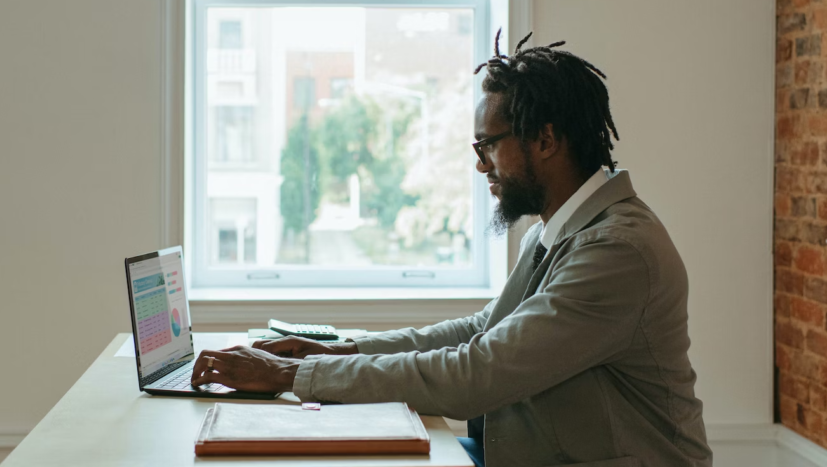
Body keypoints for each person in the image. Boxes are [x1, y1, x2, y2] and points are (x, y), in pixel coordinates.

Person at [190, 30, 712, 467]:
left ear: (546, 141)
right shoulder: (559, 229)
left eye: (488, 145)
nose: (481, 164)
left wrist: (292, 376)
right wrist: (337, 350)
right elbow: (480, 331)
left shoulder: (617, 251)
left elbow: (478, 372)